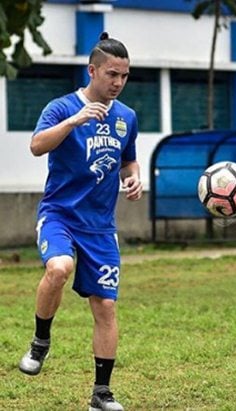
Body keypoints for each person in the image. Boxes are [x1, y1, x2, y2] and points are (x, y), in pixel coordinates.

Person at [19, 32, 142, 411]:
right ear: (93, 71)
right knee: (59, 267)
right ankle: (41, 342)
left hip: (100, 228)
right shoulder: (61, 107)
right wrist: (75, 120)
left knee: (105, 307)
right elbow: (37, 145)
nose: (118, 83)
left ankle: (101, 394)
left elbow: (127, 160)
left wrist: (134, 177)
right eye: (111, 74)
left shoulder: (127, 117)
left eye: (124, 76)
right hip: (59, 215)